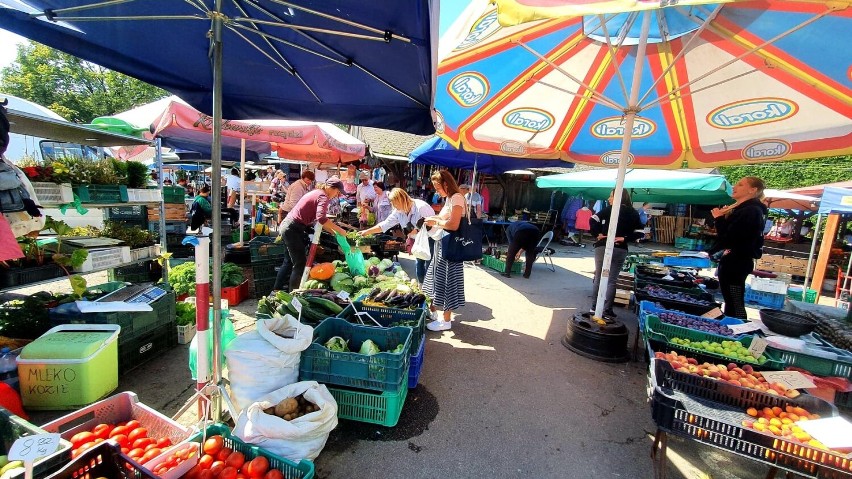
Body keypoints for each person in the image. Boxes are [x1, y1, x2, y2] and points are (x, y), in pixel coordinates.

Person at [273, 176, 348, 292]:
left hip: (288, 226)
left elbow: (319, 220)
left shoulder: (317, 192)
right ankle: (293, 295)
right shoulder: (323, 196)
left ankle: (276, 291)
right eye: (337, 192)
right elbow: (322, 218)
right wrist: (341, 231)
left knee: (288, 262)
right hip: (292, 228)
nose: (337, 195)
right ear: (330, 188)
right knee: (300, 264)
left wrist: (334, 232)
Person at [708, 176, 768, 319]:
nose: (734, 187)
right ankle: (732, 326)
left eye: (740, 185)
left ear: (753, 190)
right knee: (731, 299)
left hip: (737, 261)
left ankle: (737, 327)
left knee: (734, 301)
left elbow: (731, 237)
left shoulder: (751, 211)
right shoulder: (745, 209)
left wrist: (719, 219)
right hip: (735, 260)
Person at [359, 188, 435, 283]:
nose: (394, 206)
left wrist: (416, 230)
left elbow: (431, 224)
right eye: (392, 203)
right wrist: (366, 232)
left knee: (429, 266)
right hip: (417, 240)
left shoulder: (421, 207)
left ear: (402, 199)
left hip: (429, 239)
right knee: (419, 264)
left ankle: (431, 290)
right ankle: (422, 287)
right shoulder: (398, 211)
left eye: (395, 203)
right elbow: (385, 225)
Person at [589, 189, 644, 319]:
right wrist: (624, 238)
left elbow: (592, 219)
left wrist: (598, 234)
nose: (609, 199)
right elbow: (641, 232)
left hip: (603, 246)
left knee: (599, 276)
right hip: (620, 249)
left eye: (611, 196)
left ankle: (594, 307)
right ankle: (607, 310)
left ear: (619, 197)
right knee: (611, 280)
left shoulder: (609, 209)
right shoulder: (633, 213)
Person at [422, 170, 466, 332]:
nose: (436, 191)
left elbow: (454, 225)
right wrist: (434, 219)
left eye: (438, 187)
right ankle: (442, 317)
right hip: (444, 244)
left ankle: (446, 321)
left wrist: (436, 222)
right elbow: (446, 219)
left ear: (446, 184)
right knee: (440, 280)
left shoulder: (457, 197)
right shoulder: (449, 198)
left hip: (451, 246)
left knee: (449, 281)